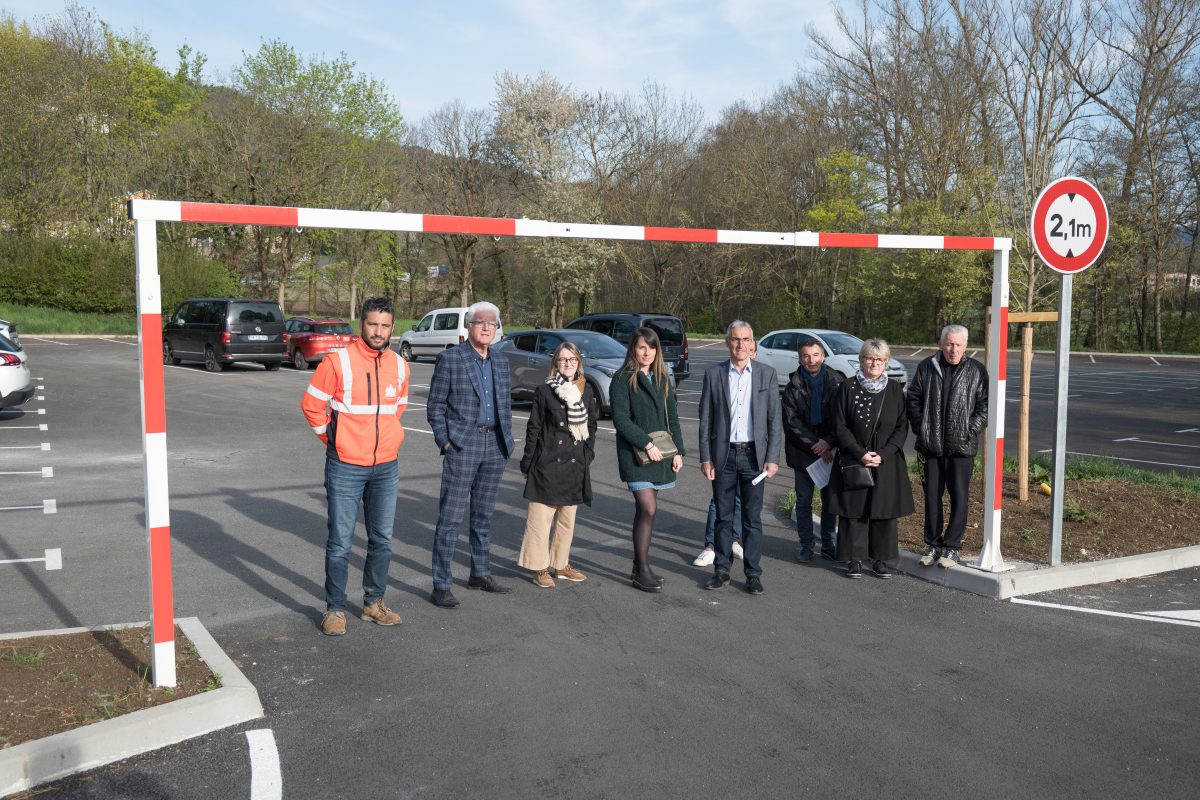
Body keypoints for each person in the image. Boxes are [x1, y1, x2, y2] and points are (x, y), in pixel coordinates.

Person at [301, 297, 410, 636]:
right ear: (362, 324)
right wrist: (334, 441)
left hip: (386, 467)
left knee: (382, 540)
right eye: (372, 324)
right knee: (340, 542)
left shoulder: (400, 365)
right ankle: (334, 609)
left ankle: (373, 603)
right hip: (345, 465)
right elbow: (312, 407)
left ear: (393, 328)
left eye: (385, 325)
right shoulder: (338, 362)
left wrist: (386, 441)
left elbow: (398, 409)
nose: (378, 331)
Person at [427, 301, 515, 608]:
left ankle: (480, 573)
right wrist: (445, 441)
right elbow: (435, 406)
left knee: (483, 516)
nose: (487, 327)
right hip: (463, 445)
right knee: (450, 519)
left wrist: (509, 443)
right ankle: (441, 584)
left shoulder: (501, 362)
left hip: (495, 446)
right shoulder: (450, 359)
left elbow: (505, 406)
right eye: (480, 322)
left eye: (492, 323)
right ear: (469, 326)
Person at [699, 321, 782, 595]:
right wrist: (705, 458)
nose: (741, 344)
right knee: (723, 517)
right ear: (727, 343)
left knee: (751, 519)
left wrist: (772, 457)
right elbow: (705, 420)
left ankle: (753, 574)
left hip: (754, 459)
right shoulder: (714, 374)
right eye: (735, 339)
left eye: (746, 339)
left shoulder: (766, 375)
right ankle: (721, 571)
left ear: (753, 343)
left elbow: (773, 421)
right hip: (724, 456)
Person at [828, 339, 914, 579]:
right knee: (853, 510)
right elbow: (840, 426)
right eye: (869, 358)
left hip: (886, 461)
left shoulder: (895, 390)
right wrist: (860, 453)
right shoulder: (847, 387)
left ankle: (880, 559)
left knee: (883, 511)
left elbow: (901, 427)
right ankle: (854, 559)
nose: (874, 363)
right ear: (861, 360)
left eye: (880, 359)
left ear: (886, 362)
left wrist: (883, 454)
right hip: (855, 458)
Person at [516, 341, 598, 588]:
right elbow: (535, 428)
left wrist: (588, 454)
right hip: (548, 462)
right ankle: (539, 567)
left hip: (575, 464)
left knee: (566, 520)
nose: (568, 364)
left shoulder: (587, 390)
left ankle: (561, 564)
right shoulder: (544, 391)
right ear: (555, 363)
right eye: (563, 360)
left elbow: (591, 425)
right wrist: (528, 462)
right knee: (540, 520)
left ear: (578, 363)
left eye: (572, 360)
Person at [905, 323, 988, 568]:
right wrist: (923, 428)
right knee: (932, 497)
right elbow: (913, 400)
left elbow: (984, 407)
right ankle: (932, 544)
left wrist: (968, 431)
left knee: (959, 497)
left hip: (961, 448)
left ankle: (952, 547)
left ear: (966, 346)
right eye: (949, 344)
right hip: (931, 448)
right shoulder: (926, 368)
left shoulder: (976, 371)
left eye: (958, 344)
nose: (953, 349)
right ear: (941, 344)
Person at [610, 327, 685, 592]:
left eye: (651, 348)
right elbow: (620, 420)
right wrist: (646, 443)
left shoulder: (662, 377)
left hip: (661, 455)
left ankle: (639, 566)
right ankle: (641, 569)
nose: (647, 352)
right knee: (648, 508)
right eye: (642, 347)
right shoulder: (622, 379)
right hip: (635, 455)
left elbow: (672, 418)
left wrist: (678, 451)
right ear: (633, 348)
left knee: (647, 513)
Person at [781, 339, 844, 562]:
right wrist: (816, 446)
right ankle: (807, 546)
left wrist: (828, 442)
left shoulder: (837, 381)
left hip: (830, 452)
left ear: (823, 356)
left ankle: (828, 544)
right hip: (803, 453)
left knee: (830, 502)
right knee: (804, 502)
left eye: (816, 355)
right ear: (799, 359)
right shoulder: (792, 386)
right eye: (806, 356)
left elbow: (842, 418)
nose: (811, 360)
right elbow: (791, 423)